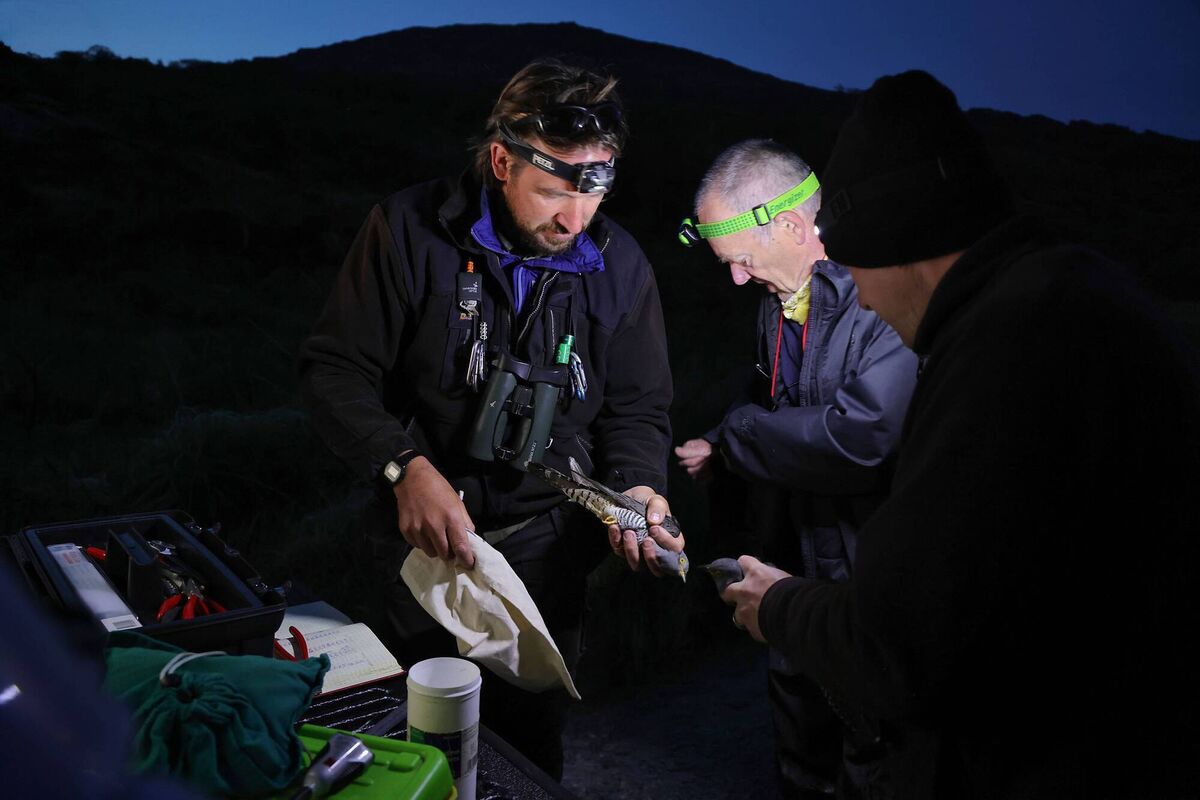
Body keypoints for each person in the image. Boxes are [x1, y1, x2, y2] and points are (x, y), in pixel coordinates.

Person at [723, 70, 1200, 797]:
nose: (866, 304)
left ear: (897, 245)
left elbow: (907, 639)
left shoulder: (1011, 346)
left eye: (852, 269)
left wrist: (782, 606)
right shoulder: (1077, 293)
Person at [298, 59, 681, 779]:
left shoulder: (621, 264)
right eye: (552, 192)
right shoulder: (408, 230)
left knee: (526, 752)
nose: (574, 219)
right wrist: (401, 467)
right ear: (502, 160)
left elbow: (638, 408)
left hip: (548, 553)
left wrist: (637, 487)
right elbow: (334, 371)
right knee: (415, 741)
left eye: (593, 192)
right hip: (425, 547)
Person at [675, 140, 917, 798]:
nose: (735, 278)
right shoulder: (776, 305)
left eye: (741, 260)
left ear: (788, 224)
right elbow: (771, 404)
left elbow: (861, 434)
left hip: (872, 581)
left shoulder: (883, 293)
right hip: (793, 570)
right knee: (800, 752)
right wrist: (721, 447)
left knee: (877, 754)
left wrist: (736, 438)